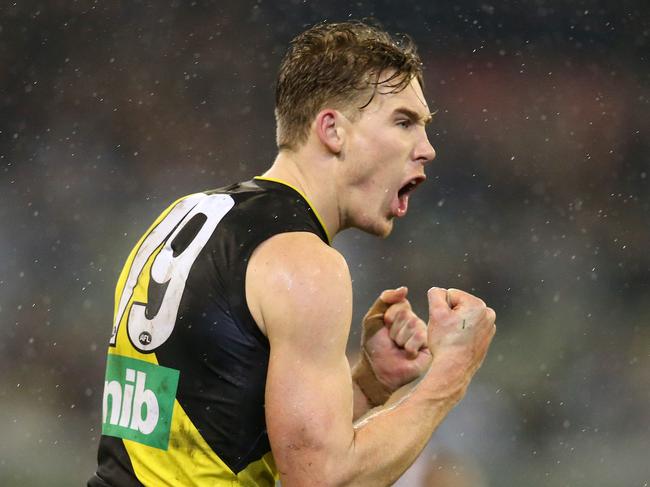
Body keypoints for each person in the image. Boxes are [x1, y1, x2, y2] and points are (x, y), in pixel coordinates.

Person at [88, 21, 496, 486]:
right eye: (404, 122)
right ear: (332, 130)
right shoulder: (303, 263)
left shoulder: (182, 217)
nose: (427, 149)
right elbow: (322, 479)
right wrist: (451, 375)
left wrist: (369, 383)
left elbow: (218, 426)